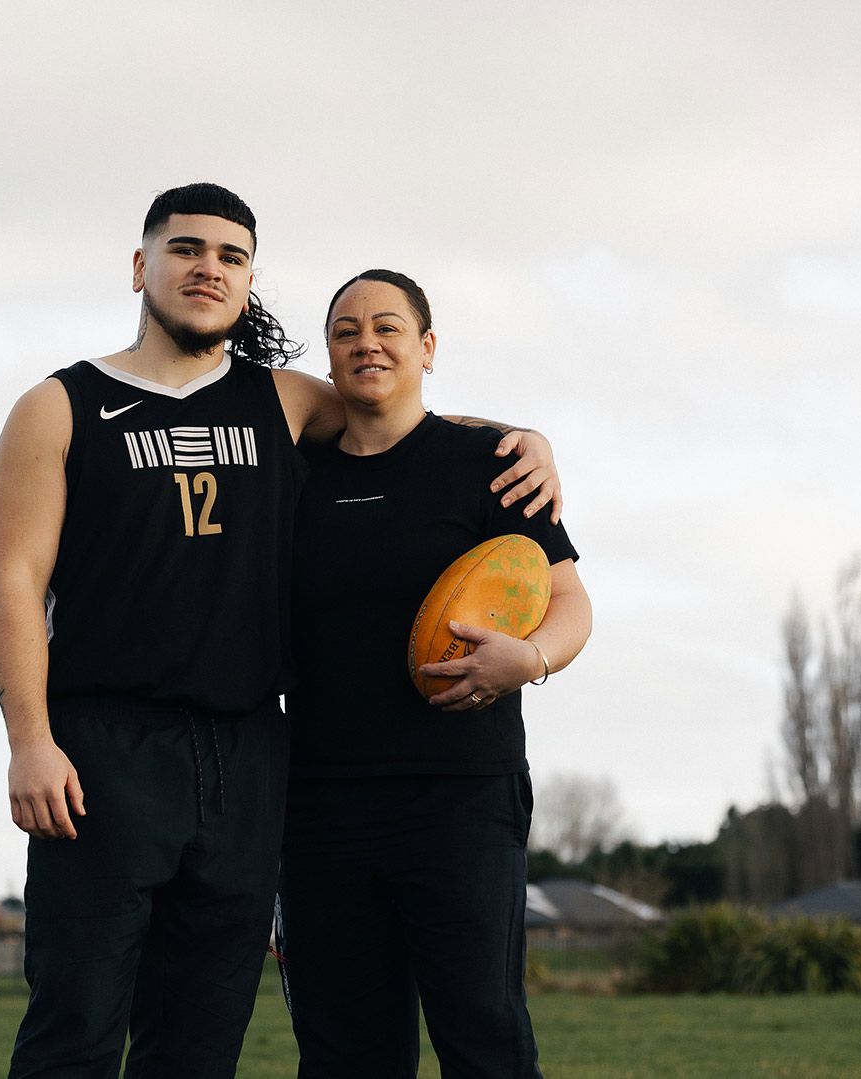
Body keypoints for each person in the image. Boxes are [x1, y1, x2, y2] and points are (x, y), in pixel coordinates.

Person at [0, 186, 561, 1078]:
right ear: (142, 267)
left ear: (248, 284)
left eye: (232, 255)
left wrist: (523, 438)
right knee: (77, 1020)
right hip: (107, 748)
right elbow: (14, 583)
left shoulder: (283, 403)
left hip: (250, 755)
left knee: (200, 1034)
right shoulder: (61, 406)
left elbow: (401, 419)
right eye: (186, 249)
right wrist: (30, 739)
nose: (208, 267)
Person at [280, 269, 593, 1078]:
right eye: (346, 330)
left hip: (460, 796)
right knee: (345, 1050)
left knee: (482, 1035)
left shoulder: (491, 463)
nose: (365, 342)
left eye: (387, 327)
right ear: (330, 355)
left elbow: (569, 599)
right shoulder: (295, 478)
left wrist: (531, 659)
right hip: (320, 806)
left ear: (427, 347)